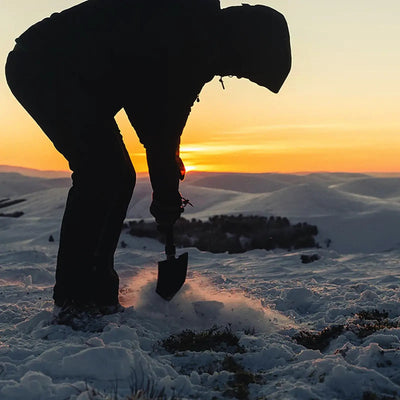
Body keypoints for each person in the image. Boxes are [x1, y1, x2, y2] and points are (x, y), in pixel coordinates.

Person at [5, 0, 291, 314]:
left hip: (66, 70)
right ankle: (77, 298)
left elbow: (164, 122)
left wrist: (167, 180)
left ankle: (94, 290)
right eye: (242, 70)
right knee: (101, 173)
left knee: (115, 175)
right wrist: (166, 194)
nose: (234, 76)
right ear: (241, 47)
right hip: (45, 67)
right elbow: (158, 127)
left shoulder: (195, 32)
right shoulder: (185, 43)